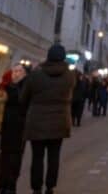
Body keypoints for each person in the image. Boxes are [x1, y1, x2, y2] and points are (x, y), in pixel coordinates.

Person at [22, 44, 75, 194]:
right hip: (59, 121)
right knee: (54, 156)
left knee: (37, 157)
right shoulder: (69, 76)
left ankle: (36, 188)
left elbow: (24, 97)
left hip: (37, 121)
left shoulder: (36, 75)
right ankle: (50, 187)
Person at [0, 65, 28, 194]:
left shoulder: (26, 87)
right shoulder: (6, 87)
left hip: (20, 126)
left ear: (25, 74)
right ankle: (2, 184)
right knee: (4, 155)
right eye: (14, 71)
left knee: (16, 156)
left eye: (20, 71)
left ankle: (11, 184)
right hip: (7, 125)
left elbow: (22, 100)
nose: (16, 74)